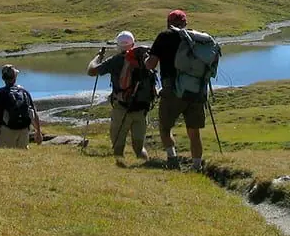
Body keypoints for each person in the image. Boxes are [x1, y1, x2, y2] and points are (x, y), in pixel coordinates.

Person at [146, 10, 206, 170]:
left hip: (172, 90)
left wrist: (146, 59)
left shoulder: (164, 36)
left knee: (165, 128)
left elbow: (151, 64)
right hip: (195, 90)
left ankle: (173, 160)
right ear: (185, 23)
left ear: (168, 23)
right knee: (194, 132)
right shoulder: (195, 37)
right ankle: (197, 166)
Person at [88, 31, 156, 161]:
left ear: (118, 46)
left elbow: (91, 71)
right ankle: (144, 168)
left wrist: (98, 57)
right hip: (142, 109)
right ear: (134, 44)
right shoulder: (145, 59)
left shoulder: (116, 60)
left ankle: (120, 169)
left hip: (121, 108)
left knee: (118, 147)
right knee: (139, 147)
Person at [0, 65, 42, 149]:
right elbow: (34, 112)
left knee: (4, 157)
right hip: (24, 130)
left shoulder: (0, 93)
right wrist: (38, 131)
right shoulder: (24, 91)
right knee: (22, 156)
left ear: (3, 78)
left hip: (7, 130)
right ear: (15, 77)